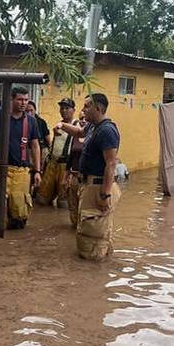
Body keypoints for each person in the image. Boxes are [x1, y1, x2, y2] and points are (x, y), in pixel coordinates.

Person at [56, 93, 121, 261]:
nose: (83, 110)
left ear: (98, 108)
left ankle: (96, 276)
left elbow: (111, 164)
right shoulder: (93, 126)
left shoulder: (107, 130)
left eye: (87, 106)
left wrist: (104, 194)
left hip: (98, 187)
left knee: (94, 234)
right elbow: (78, 132)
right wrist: (62, 125)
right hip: (89, 185)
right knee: (89, 231)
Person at [0, 86, 42, 230]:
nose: (23, 103)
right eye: (20, 99)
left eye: (26, 100)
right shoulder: (0, 113)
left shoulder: (31, 121)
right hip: (0, 169)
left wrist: (37, 171)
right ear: (11, 99)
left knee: (19, 216)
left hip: (21, 170)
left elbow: (35, 146)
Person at [36, 98, 78, 208]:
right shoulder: (58, 124)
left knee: (63, 201)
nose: (63, 110)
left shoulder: (77, 126)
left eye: (67, 108)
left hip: (66, 166)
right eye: (62, 108)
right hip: (52, 163)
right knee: (42, 198)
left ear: (73, 110)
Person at [63, 110, 88, 227]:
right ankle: (74, 233)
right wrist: (65, 178)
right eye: (81, 118)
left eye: (85, 118)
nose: (83, 121)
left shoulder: (93, 136)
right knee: (73, 207)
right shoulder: (75, 137)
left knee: (85, 209)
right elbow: (70, 158)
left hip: (86, 179)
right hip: (73, 177)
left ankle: (82, 230)